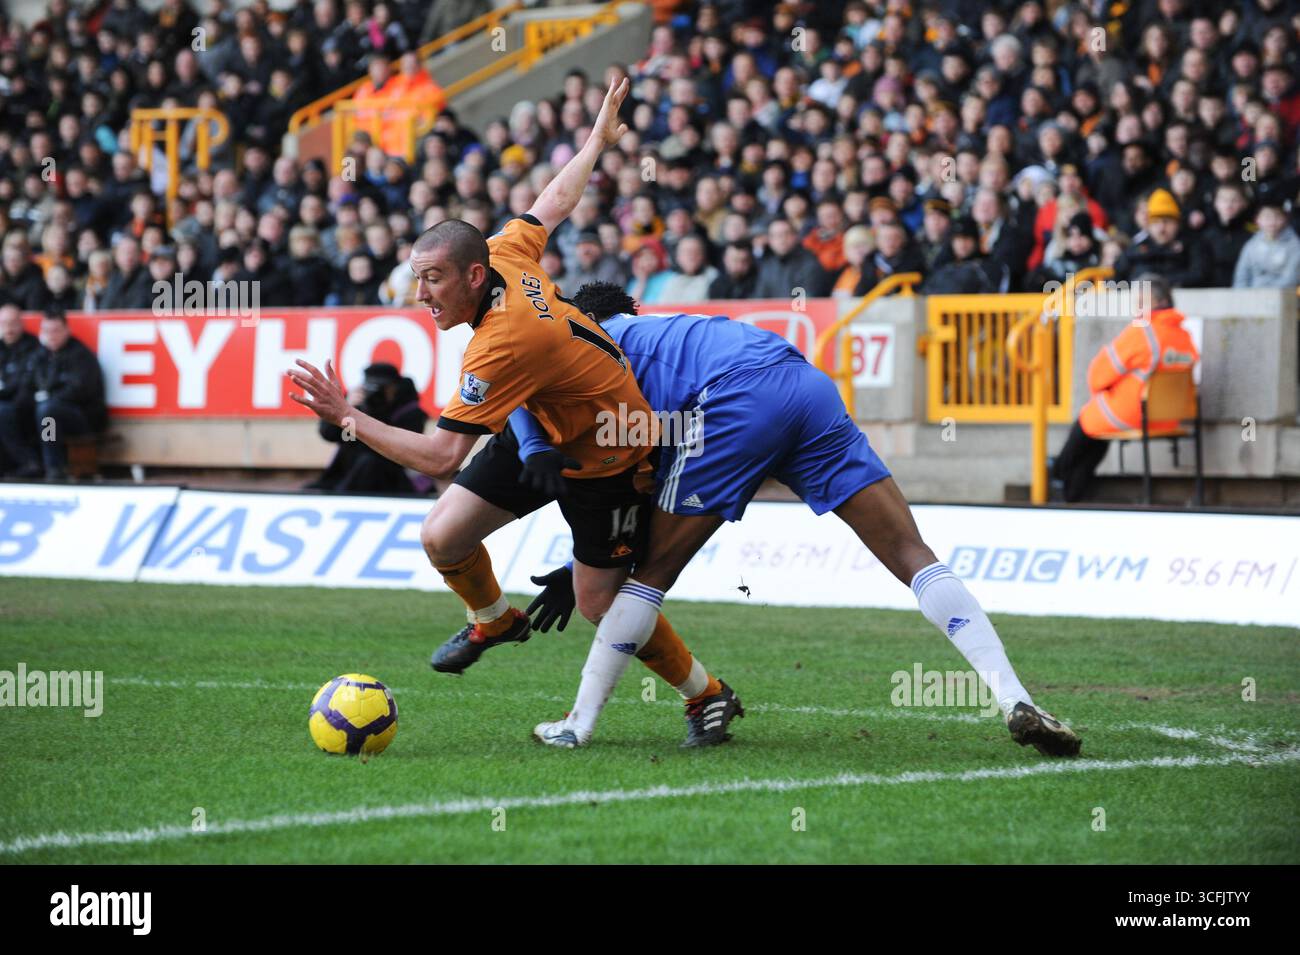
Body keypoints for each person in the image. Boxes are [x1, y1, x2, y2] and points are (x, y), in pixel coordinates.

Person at [287, 79, 737, 746]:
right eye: (417, 279)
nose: (422, 294)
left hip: (609, 454)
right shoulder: (502, 252)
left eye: (432, 280)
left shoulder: (501, 344)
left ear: (470, 277)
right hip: (544, 426)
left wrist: (348, 416)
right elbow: (554, 201)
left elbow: (442, 456)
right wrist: (595, 141)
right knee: (443, 537)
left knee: (599, 604)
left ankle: (707, 695)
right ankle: (494, 618)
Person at [515, 282, 1081, 758]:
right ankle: (1014, 697)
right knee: (912, 553)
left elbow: (633, 486)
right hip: (802, 382)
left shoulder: (590, 351)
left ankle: (578, 725)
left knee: (650, 575)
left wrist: (585, 560)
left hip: (735, 398)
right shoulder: (680, 329)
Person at [1049, 274, 1198, 503]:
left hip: (1136, 414)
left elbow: (1097, 375)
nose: (1136, 308)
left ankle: (1058, 471)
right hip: (1173, 416)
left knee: (1088, 420)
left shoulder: (1142, 331)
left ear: (1156, 302)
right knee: (1096, 431)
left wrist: (1107, 389)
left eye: (1140, 302)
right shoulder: (1184, 335)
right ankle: (1071, 487)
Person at [307, 362, 427, 494]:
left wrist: (377, 413)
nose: (377, 393)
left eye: (383, 388)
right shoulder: (355, 406)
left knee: (370, 462)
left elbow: (402, 447)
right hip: (349, 472)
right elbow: (331, 435)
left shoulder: (409, 411)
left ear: (395, 387)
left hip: (391, 476)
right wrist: (345, 411)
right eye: (372, 387)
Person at [24, 310, 108, 479]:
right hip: (48, 410)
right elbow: (27, 385)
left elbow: (81, 391)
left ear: (66, 331)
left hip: (83, 416)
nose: (52, 336)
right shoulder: (39, 356)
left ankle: (54, 467)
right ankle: (26, 463)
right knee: (9, 411)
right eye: (47, 331)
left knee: (47, 412)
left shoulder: (81, 355)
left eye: (56, 330)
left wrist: (48, 396)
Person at [0, 302, 41, 477]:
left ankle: (32, 462)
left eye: (13, 323)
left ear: (21, 324)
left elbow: (25, 384)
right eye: (4, 323)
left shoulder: (34, 347)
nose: (9, 328)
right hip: (6, 402)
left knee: (50, 416)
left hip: (31, 406)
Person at [1233, 197, 1300, 288]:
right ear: (1257, 220)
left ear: (1285, 219)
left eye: (1277, 216)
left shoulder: (1295, 244)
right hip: (1252, 297)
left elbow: (1292, 278)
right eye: (1267, 217)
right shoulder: (1251, 244)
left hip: (1284, 297)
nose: (1272, 222)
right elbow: (1241, 276)